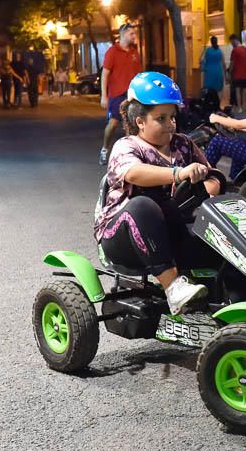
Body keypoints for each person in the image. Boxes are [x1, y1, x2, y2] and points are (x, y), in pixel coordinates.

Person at [94, 71, 221, 314]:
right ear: (140, 121)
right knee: (143, 205)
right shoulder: (127, 146)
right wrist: (179, 174)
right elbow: (133, 173)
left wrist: (207, 187)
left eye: (172, 117)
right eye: (161, 118)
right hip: (123, 236)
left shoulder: (183, 144)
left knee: (223, 239)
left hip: (173, 230)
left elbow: (212, 175)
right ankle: (173, 287)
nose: (170, 124)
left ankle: (245, 306)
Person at [100, 22, 143, 165]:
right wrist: (104, 96)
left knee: (131, 125)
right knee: (113, 124)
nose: (134, 36)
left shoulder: (134, 53)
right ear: (123, 34)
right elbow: (105, 74)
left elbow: (139, 74)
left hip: (131, 94)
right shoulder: (112, 52)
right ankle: (105, 149)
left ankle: (129, 156)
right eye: (131, 34)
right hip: (116, 94)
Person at [227, 34, 246, 113]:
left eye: (231, 42)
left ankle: (240, 107)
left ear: (235, 40)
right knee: (245, 90)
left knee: (238, 91)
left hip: (237, 74)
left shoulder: (235, 51)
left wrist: (229, 73)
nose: (231, 44)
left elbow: (232, 64)